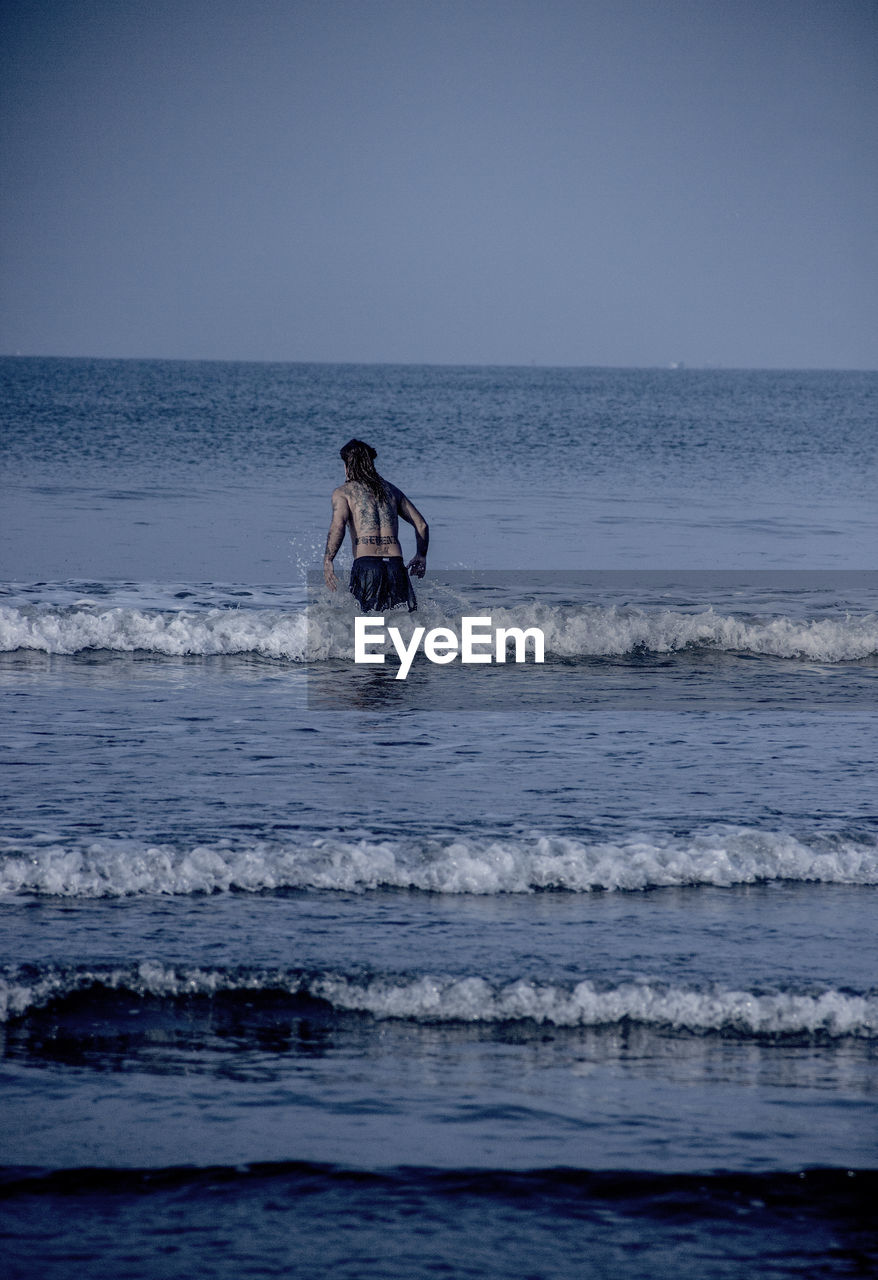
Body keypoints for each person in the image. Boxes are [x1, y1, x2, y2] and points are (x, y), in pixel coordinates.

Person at [323, 439, 429, 612]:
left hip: (368, 567)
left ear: (347, 466)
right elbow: (422, 525)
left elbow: (338, 526)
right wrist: (421, 555)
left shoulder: (344, 492)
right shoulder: (392, 490)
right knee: (404, 623)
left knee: (365, 626)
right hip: (395, 565)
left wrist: (328, 559)